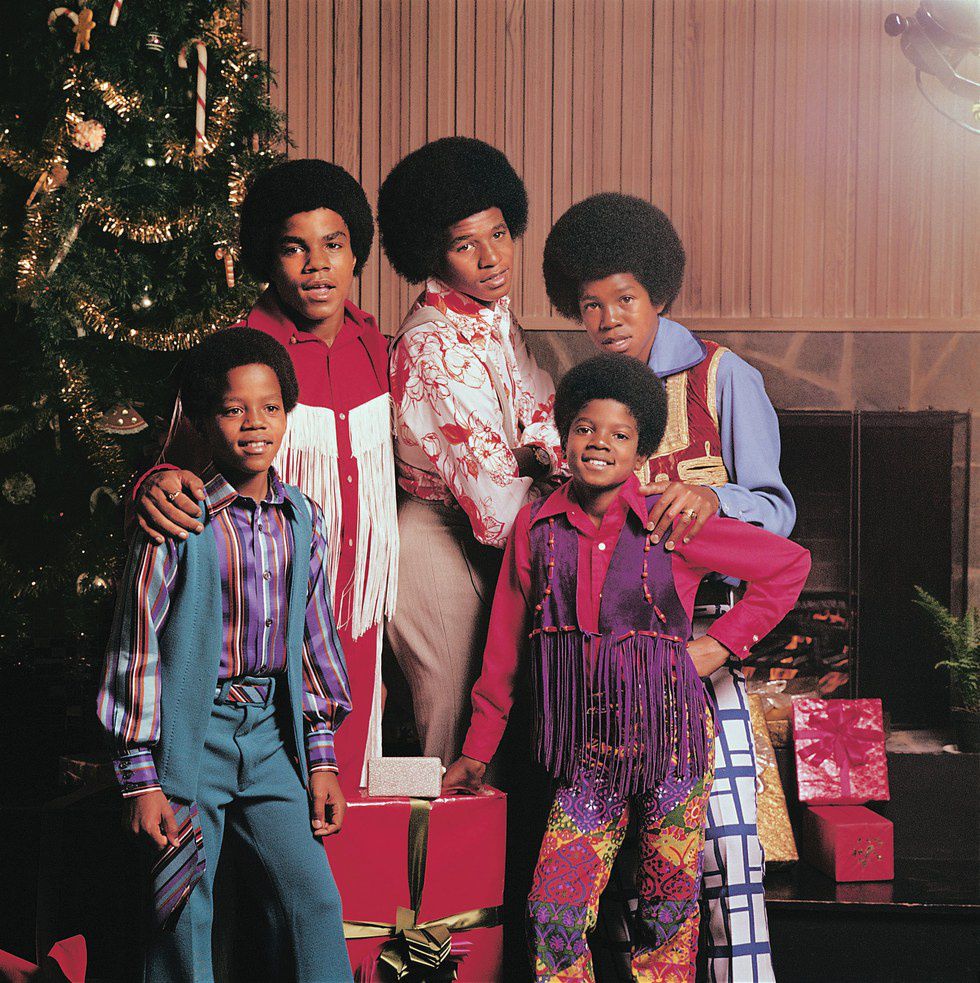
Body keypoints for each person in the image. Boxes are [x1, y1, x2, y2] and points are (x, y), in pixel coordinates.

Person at [444, 354, 810, 982]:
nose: (600, 443)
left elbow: (788, 565)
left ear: (641, 452)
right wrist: (477, 750)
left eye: (620, 434)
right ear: (565, 437)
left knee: (667, 910)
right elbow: (503, 649)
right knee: (553, 912)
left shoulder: (673, 519)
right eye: (586, 428)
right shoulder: (536, 527)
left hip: (674, 749)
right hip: (585, 757)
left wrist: (719, 646)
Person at [542, 192, 796, 982]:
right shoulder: (587, 395)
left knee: (725, 848)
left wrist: (714, 497)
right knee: (620, 870)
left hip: (703, 642)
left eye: (624, 298)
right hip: (609, 669)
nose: (608, 318)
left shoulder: (723, 376)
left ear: (656, 293)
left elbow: (779, 512)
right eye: (591, 304)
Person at [131, 159, 396, 792]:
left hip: (359, 610)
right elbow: (172, 456)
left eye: (333, 245)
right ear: (266, 258)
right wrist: (152, 483)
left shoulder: (376, 346)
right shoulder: (240, 352)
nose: (317, 266)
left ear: (356, 252)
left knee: (344, 781)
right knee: (265, 786)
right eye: (293, 249)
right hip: (263, 612)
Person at [97, 328, 353, 982]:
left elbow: (314, 640)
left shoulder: (304, 518)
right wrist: (141, 776)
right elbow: (136, 643)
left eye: (270, 407)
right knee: (183, 910)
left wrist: (321, 757)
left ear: (288, 413)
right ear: (204, 421)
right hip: (192, 739)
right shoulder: (176, 518)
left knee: (313, 901)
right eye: (234, 409)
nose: (254, 423)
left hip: (269, 739)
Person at [378, 136, 562, 769]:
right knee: (455, 728)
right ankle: (435, 837)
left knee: (510, 727)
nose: (492, 258)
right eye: (465, 245)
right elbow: (496, 502)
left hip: (493, 530)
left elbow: (549, 420)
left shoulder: (493, 317)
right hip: (435, 540)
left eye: (500, 234)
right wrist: (551, 474)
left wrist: (541, 457)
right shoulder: (433, 346)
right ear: (433, 252)